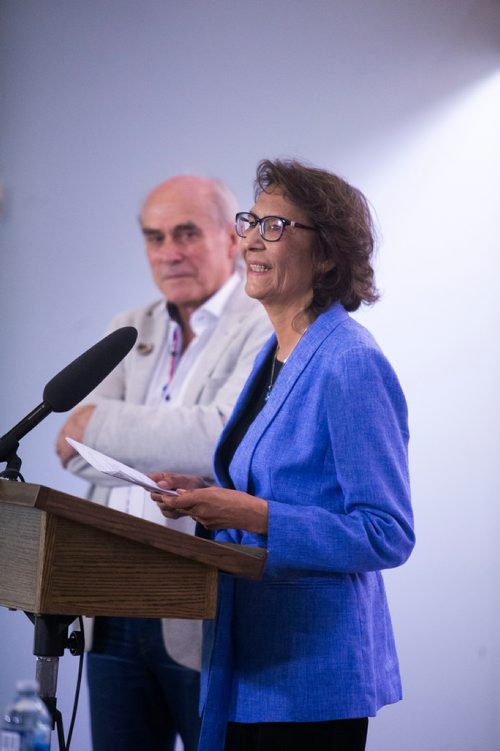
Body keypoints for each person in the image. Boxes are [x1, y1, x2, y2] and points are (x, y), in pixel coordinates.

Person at [150, 159, 416, 751]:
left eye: (274, 226)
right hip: (248, 659)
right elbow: (277, 484)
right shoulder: (275, 354)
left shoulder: (349, 363)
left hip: (310, 675)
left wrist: (248, 514)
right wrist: (201, 493)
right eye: (250, 223)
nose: (249, 240)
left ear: (326, 255)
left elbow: (386, 533)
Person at [55, 175, 272, 751]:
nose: (168, 253)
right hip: (111, 603)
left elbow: (222, 439)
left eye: (185, 233)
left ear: (231, 238)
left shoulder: (262, 324)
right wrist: (115, 443)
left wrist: (96, 425)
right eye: (155, 238)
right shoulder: (131, 327)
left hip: (198, 605)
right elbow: (70, 455)